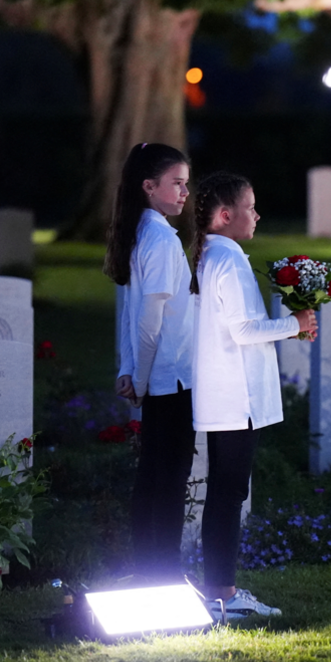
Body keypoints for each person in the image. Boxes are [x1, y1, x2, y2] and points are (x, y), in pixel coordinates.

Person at [190, 171, 317, 621]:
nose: (257, 214)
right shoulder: (230, 260)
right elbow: (243, 329)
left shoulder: (206, 255)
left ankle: (219, 589)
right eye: (250, 207)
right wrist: (296, 324)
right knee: (228, 494)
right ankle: (224, 593)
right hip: (236, 396)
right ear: (226, 216)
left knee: (223, 493)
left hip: (218, 392)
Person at [104, 142, 196, 585]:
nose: (185, 193)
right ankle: (161, 572)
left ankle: (153, 568)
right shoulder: (159, 237)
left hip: (159, 376)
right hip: (170, 378)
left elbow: (132, 307)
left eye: (186, 184)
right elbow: (148, 318)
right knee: (168, 476)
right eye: (176, 184)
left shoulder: (145, 229)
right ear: (148, 186)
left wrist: (129, 368)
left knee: (157, 472)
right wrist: (138, 378)